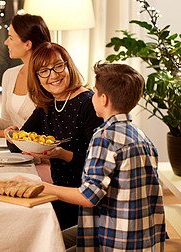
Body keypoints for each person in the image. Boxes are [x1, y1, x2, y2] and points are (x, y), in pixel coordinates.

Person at [18, 62, 166, 251]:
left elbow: (89, 196)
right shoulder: (141, 136)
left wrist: (39, 186)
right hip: (143, 239)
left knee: (43, 244)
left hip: (115, 241)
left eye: (94, 92)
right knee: (53, 238)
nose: (91, 96)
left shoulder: (104, 136)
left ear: (103, 99)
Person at [4, 42, 103, 230]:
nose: (53, 75)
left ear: (68, 66)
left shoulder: (89, 103)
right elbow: (17, 146)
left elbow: (98, 164)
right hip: (60, 192)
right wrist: (12, 134)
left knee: (27, 224)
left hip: (84, 198)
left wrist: (62, 154)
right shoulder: (47, 105)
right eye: (44, 71)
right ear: (37, 77)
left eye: (58, 66)